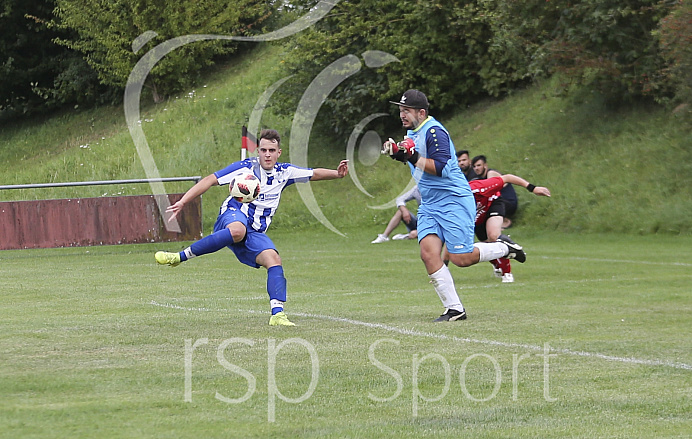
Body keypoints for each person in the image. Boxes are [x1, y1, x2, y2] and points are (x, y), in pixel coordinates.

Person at [154, 129, 349, 326]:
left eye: (271, 150)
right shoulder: (245, 168)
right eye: (263, 150)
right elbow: (211, 179)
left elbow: (313, 173)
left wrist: (338, 174)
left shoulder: (284, 173)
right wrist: (184, 201)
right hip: (233, 214)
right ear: (258, 151)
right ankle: (179, 257)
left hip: (255, 231)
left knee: (273, 260)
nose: (267, 154)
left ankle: (277, 314)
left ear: (278, 152)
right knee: (238, 230)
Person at [383, 89, 527, 322]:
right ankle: (454, 309)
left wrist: (408, 156)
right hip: (430, 203)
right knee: (428, 254)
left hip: (453, 200)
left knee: (461, 258)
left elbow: (438, 167)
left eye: (406, 111)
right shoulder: (414, 130)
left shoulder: (434, 131)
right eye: (400, 110)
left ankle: (504, 248)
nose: (402, 115)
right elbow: (410, 152)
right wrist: (397, 151)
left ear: (421, 112)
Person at [444, 174, 551, 283]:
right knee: (485, 246)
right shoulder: (450, 208)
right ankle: (497, 264)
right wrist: (443, 270)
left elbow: (508, 178)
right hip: (477, 218)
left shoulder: (477, 188)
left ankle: (507, 272)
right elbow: (450, 241)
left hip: (493, 205)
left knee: (493, 236)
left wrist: (533, 188)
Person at [472, 155, 517, 228]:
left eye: (479, 165)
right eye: (474, 166)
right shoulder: (480, 178)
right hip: (501, 202)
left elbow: (491, 193)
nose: (476, 168)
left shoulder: (491, 173)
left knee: (486, 203)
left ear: (485, 165)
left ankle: (504, 222)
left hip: (508, 202)